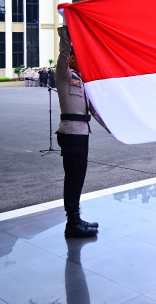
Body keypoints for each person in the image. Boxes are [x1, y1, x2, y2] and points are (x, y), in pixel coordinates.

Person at [55, 15, 109, 238]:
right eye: (77, 57)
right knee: (74, 176)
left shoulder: (83, 82)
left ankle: (76, 218)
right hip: (70, 133)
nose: (79, 60)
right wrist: (67, 31)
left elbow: (94, 110)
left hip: (82, 134)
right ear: (72, 60)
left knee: (79, 176)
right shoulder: (64, 76)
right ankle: (73, 222)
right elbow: (64, 52)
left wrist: (112, 127)